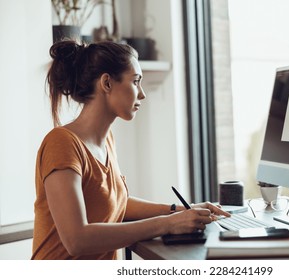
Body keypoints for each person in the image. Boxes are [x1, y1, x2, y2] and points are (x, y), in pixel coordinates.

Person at [32, 40, 230, 260]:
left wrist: (180, 211)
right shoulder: (62, 143)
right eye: (136, 82)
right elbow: (77, 240)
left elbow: (116, 203)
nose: (142, 94)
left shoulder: (107, 141)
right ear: (106, 83)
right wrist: (168, 224)